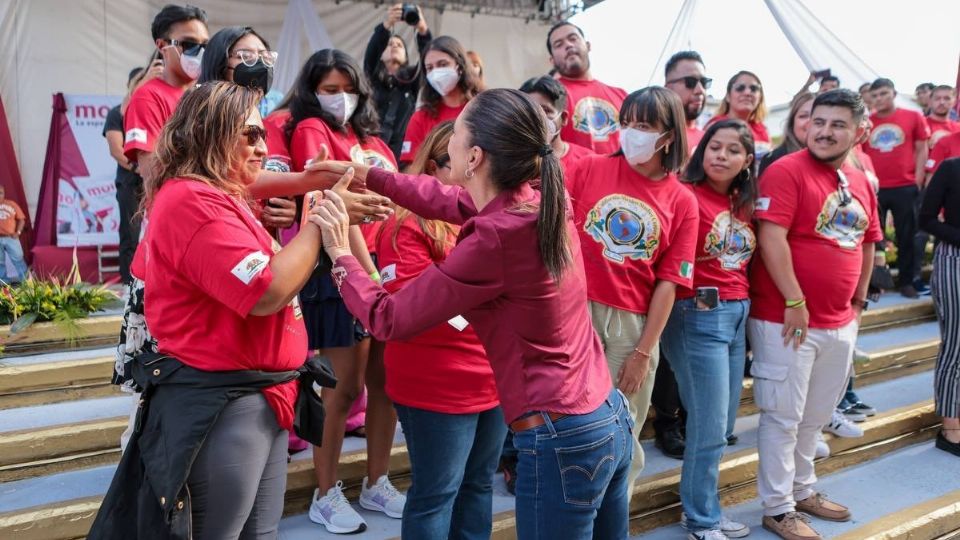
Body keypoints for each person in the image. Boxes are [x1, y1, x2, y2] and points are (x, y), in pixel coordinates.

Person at [308, 88, 633, 539]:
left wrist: (340, 251)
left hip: (561, 434)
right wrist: (362, 173)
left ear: (475, 156)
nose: (450, 140)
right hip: (605, 414)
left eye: (456, 132)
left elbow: (389, 317)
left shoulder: (497, 236)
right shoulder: (534, 201)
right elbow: (441, 198)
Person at [91, 81, 333, 539]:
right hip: (224, 402)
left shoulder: (218, 191)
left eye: (263, 134)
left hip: (261, 395)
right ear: (210, 134)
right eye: (250, 135)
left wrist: (312, 183)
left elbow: (255, 182)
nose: (263, 147)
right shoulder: (192, 200)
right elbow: (267, 290)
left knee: (259, 533)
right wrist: (321, 222)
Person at [749, 89, 883, 540]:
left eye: (838, 124)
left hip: (840, 321)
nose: (824, 131)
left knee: (815, 415)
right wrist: (794, 300)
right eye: (818, 121)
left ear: (860, 131)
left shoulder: (861, 180)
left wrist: (858, 304)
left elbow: (867, 242)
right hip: (786, 320)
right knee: (783, 418)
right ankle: (778, 507)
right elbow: (772, 238)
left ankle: (803, 490)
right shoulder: (786, 170)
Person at [285, 48, 404, 535]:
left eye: (347, 89)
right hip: (341, 270)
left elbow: (395, 199)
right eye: (329, 89)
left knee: (386, 385)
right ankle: (325, 491)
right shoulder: (312, 131)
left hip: (385, 270)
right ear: (312, 91)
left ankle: (376, 481)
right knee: (344, 387)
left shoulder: (371, 137)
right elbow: (331, 204)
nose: (340, 98)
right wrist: (368, 272)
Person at [566, 86, 698, 495]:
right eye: (627, 123)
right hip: (575, 311)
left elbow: (669, 283)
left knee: (622, 430)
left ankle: (611, 517)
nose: (631, 133)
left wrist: (643, 352)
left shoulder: (682, 200)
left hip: (632, 325)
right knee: (569, 424)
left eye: (643, 126)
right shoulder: (588, 168)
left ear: (668, 136)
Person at [377, 121, 506, 539]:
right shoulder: (406, 224)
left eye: (480, 162)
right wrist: (487, 307)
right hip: (436, 383)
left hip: (493, 378)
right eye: (464, 163)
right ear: (434, 168)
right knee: (437, 493)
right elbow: (414, 304)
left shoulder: (494, 215)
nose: (475, 173)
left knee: (478, 484)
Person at [662, 118, 756, 540]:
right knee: (709, 422)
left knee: (723, 422)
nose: (722, 155)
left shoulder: (742, 202)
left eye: (733, 150)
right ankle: (701, 517)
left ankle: (702, 507)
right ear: (703, 152)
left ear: (747, 160)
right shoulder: (685, 194)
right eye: (715, 147)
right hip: (697, 314)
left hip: (739, 315)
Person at [199, 25, 297, 237]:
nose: (259, 64)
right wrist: (309, 179)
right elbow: (233, 181)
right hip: (219, 239)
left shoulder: (274, 127)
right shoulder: (200, 124)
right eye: (246, 56)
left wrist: (290, 212)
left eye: (265, 56)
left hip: (265, 250)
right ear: (219, 63)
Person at [123, 4, 209, 183]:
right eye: (188, 44)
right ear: (162, 46)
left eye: (205, 45)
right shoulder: (147, 97)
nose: (199, 52)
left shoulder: (208, 93)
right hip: (179, 206)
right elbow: (151, 171)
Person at [862, 78, 931, 298]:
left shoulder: (913, 117)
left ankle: (907, 281)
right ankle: (875, 282)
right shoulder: (866, 121)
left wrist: (918, 178)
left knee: (907, 235)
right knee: (873, 238)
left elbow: (922, 149)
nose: (879, 99)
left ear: (894, 93)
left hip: (905, 186)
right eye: (875, 95)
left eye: (883, 93)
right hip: (874, 189)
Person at [919, 156, 960, 458]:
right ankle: (951, 427)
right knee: (956, 345)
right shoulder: (951, 168)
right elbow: (926, 218)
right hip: (954, 260)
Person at [363, 2, 431, 161]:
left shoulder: (412, 80)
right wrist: (387, 25)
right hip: (370, 149)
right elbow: (371, 54)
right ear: (381, 53)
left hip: (400, 153)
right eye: (389, 44)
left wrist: (422, 31)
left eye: (399, 45)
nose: (394, 46)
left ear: (406, 56)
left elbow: (428, 58)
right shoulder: (372, 77)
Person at [547, 21, 627, 154]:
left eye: (573, 38)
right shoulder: (548, 97)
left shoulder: (622, 95)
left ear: (588, 45)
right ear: (552, 60)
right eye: (559, 44)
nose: (568, 45)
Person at [399, 35, 480, 165]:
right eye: (430, 68)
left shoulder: (483, 109)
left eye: (443, 64)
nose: (436, 74)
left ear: (460, 66)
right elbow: (409, 169)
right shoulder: (421, 117)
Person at [103, 67, 146, 283]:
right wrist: (141, 169)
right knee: (131, 233)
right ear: (131, 84)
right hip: (131, 182)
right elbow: (116, 151)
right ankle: (129, 282)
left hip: (156, 182)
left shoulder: (151, 109)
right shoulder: (116, 113)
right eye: (141, 81)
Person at [520, 75, 594, 174]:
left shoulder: (589, 162)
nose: (537, 118)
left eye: (545, 110)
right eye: (529, 112)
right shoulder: (513, 163)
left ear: (563, 118)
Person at [710, 71, 771, 161]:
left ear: (760, 98)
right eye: (740, 88)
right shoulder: (715, 126)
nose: (747, 93)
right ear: (728, 96)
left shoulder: (762, 130)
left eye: (754, 89)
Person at [664, 50, 710, 152]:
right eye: (690, 82)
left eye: (704, 82)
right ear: (668, 88)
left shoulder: (711, 141)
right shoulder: (651, 138)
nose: (700, 90)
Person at [759, 92, 814, 175]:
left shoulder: (834, 160)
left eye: (817, 117)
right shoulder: (773, 160)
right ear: (792, 123)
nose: (810, 121)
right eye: (803, 116)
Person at [0, 185, 27, 283]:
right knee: (0, 263)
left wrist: (18, 232)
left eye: (1, 193)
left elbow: (22, 220)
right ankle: (3, 282)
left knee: (18, 259)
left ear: (4, 193)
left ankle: (26, 282)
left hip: (11, 237)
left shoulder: (11, 204)